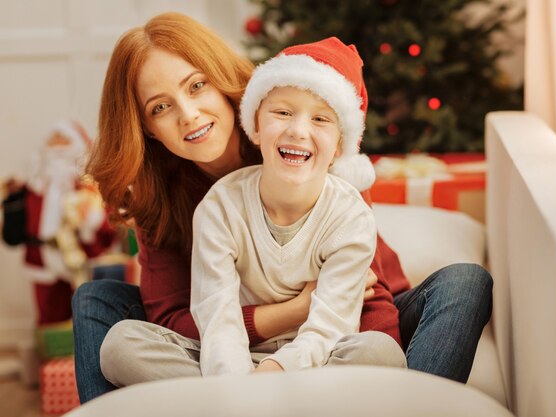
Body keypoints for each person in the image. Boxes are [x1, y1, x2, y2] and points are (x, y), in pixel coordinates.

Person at [72, 11, 492, 403]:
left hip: (343, 322)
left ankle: (401, 408)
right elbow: (173, 319)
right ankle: (251, 404)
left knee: (463, 285)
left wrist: (350, 354)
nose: (188, 114)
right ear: (145, 125)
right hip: (223, 349)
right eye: (160, 107)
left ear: (221, 79)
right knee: (95, 300)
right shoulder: (162, 195)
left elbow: (364, 295)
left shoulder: (299, 142)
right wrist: (290, 313)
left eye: (197, 85)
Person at [1, 120, 117, 325]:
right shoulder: (35, 184)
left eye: (63, 141)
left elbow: (105, 224)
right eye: (53, 141)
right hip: (41, 257)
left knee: (86, 308)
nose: (57, 147)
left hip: (80, 257)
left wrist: (89, 216)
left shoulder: (89, 186)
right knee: (48, 310)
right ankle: (52, 352)